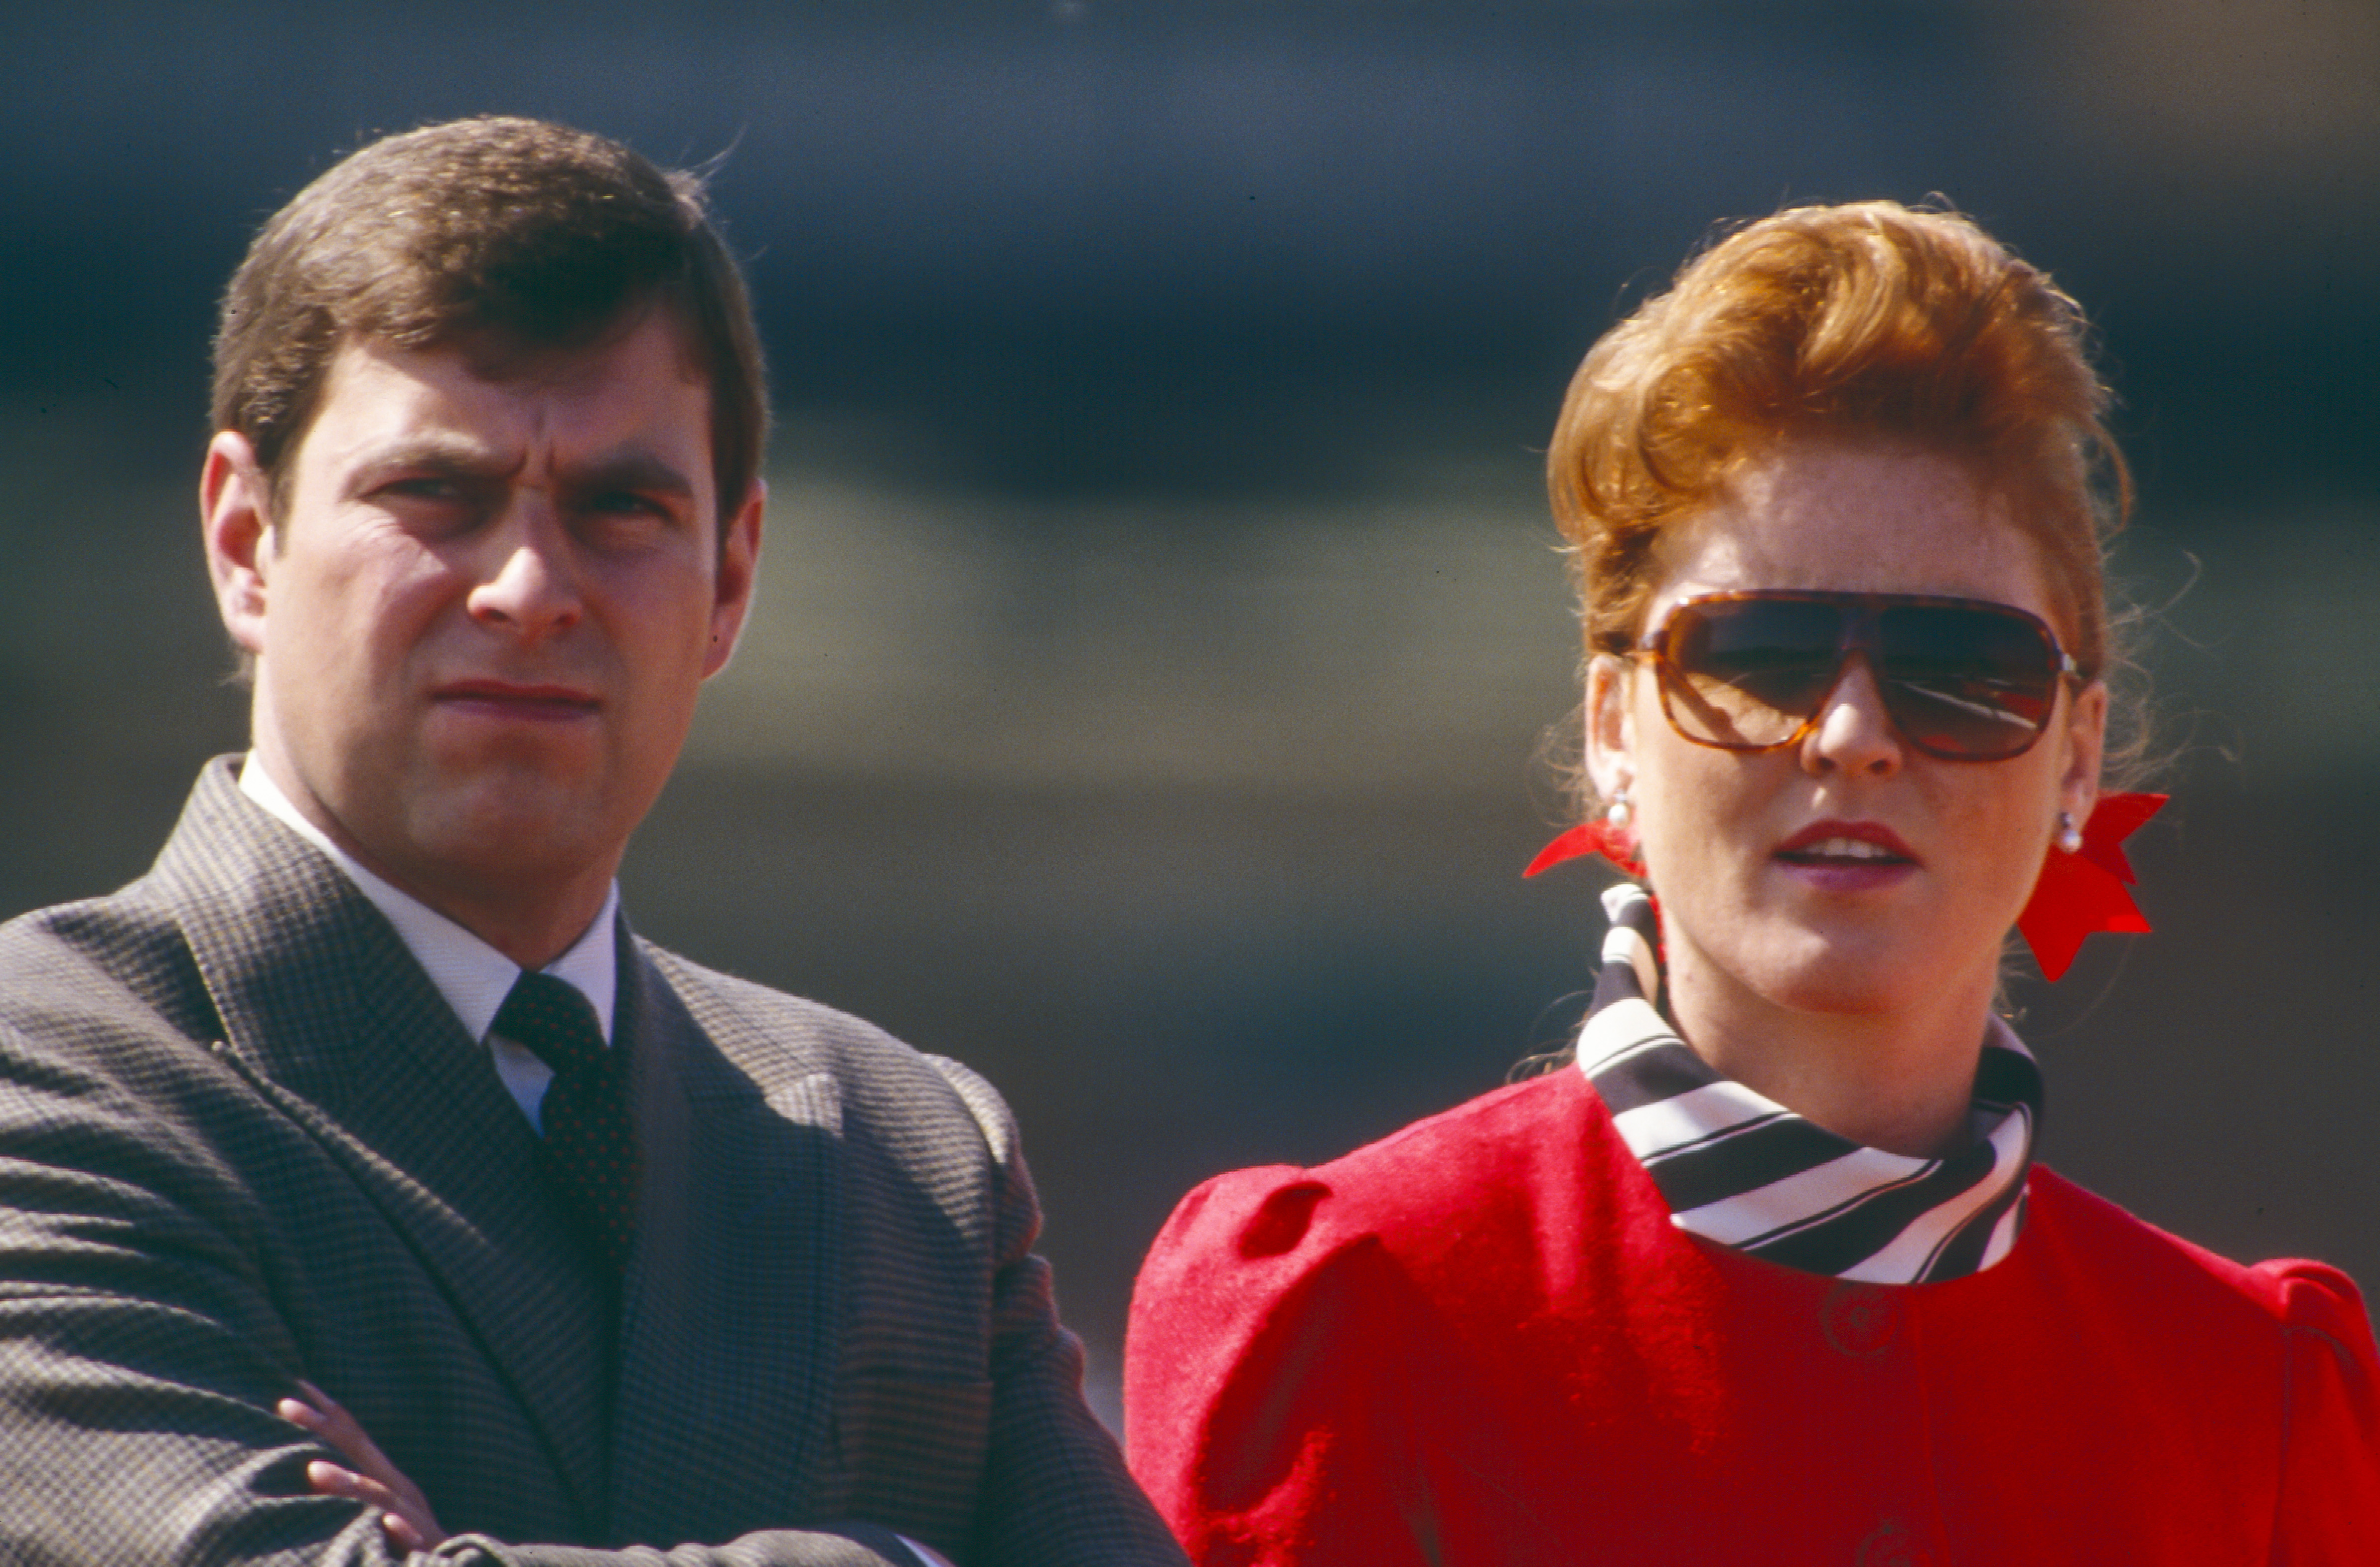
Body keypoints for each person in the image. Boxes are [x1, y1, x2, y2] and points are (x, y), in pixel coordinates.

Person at [0, 116, 1187, 1567]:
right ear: (247, 542)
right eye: (434, 493)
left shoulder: (904, 1156)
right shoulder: (55, 1078)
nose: (528, 585)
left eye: (621, 505)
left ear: (732, 577)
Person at [1122, 201, 2380, 1562]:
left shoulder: (2255, 1393)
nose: (1853, 735)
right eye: (1759, 656)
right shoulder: (1356, 1311)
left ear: (2077, 754)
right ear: (1613, 726)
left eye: (1965, 672)